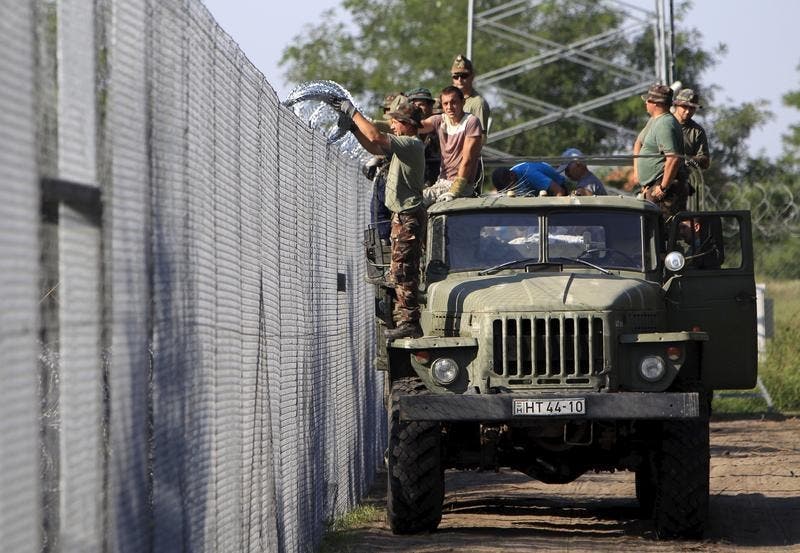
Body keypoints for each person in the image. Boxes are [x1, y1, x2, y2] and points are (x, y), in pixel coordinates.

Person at [332, 98, 427, 340]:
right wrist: (354, 129)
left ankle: (410, 322)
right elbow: (374, 147)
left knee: (403, 271)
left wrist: (353, 113)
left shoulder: (411, 144)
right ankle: (407, 318)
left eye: (396, 122)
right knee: (399, 270)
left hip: (408, 215)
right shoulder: (405, 145)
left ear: (407, 124)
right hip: (402, 214)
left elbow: (375, 137)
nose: (393, 126)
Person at [419, 86, 483, 205]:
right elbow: (414, 127)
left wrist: (455, 190)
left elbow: (467, 160)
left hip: (462, 186)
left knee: (416, 200)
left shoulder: (471, 122)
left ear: (463, 102)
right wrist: (376, 124)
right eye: (445, 103)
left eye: (454, 102)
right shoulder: (440, 120)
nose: (449, 107)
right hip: (442, 182)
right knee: (411, 197)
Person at [633, 84, 686, 219]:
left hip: (662, 190)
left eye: (648, 100)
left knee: (662, 232)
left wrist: (662, 188)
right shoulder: (655, 120)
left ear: (656, 103)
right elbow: (638, 142)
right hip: (651, 186)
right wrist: (639, 175)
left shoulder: (665, 124)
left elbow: (673, 158)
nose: (646, 103)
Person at [450, 54, 491, 142]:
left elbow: (481, 138)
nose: (459, 80)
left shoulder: (478, 103)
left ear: (472, 77)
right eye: (456, 76)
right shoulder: (446, 99)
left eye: (464, 76)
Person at [406, 87, 441, 186]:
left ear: (430, 106)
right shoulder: (407, 129)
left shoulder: (441, 125)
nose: (417, 108)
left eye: (421, 105)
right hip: (414, 183)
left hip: (438, 182)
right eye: (414, 105)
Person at [491, 162, 567, 197]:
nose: (510, 191)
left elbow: (559, 191)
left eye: (509, 187)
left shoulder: (529, 174)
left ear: (512, 175)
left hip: (556, 191)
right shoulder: (510, 175)